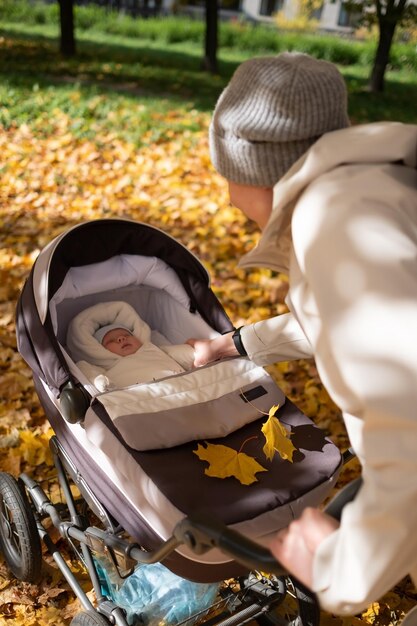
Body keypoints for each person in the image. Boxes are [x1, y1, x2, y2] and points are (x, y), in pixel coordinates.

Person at [188, 52, 417, 618]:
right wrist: (235, 345)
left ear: (252, 165)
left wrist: (339, 568)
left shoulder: (336, 220)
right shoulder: (374, 188)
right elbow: (353, 318)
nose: (223, 193)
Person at [67, 301, 195, 390]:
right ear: (99, 350)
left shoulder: (153, 349)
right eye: (111, 340)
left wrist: (195, 353)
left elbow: (179, 354)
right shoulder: (105, 367)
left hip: (181, 385)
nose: (122, 338)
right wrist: (100, 384)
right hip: (138, 397)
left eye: (126, 335)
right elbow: (89, 374)